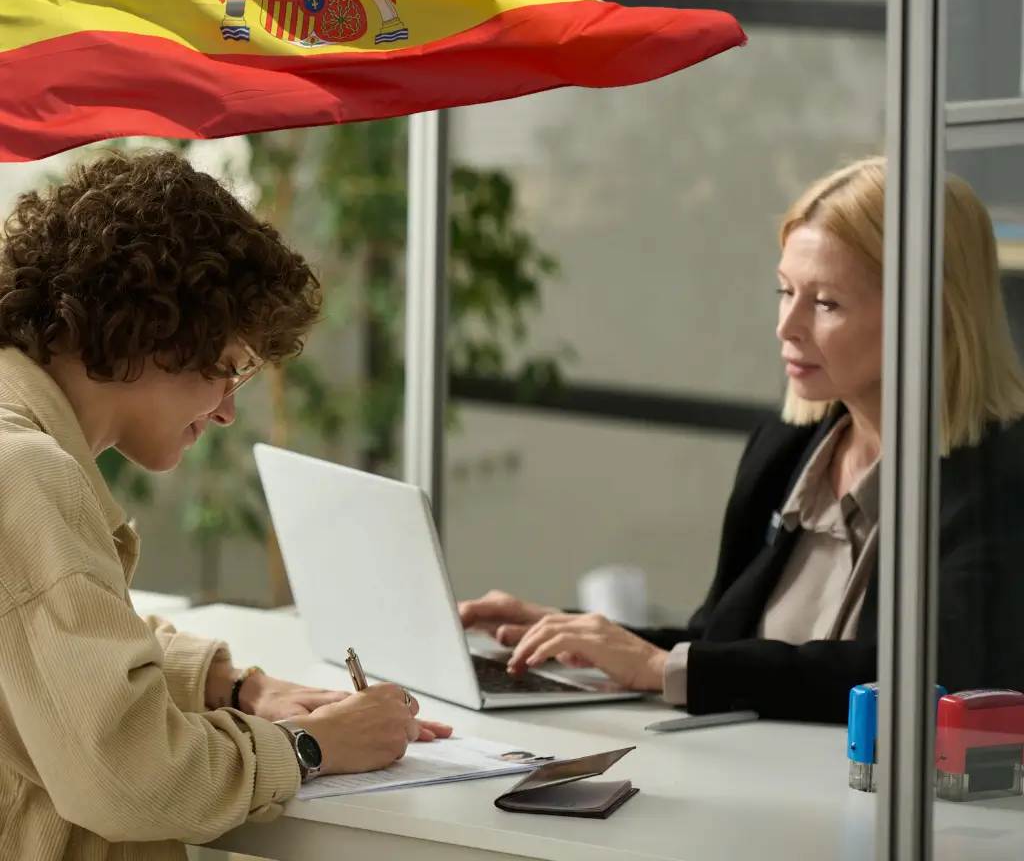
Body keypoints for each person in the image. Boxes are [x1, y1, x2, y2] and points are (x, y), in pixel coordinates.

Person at [0, 150, 452, 861]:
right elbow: (130, 777)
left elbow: (48, 638)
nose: (228, 413)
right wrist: (311, 746)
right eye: (235, 366)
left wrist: (233, 686)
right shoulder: (23, 473)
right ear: (153, 329)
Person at [460, 157, 1024, 723]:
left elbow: (931, 675)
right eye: (785, 292)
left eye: (825, 302)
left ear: (931, 315)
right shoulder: (786, 447)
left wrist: (665, 669)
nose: (787, 325)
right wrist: (568, 632)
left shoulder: (1003, 479)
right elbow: (722, 641)